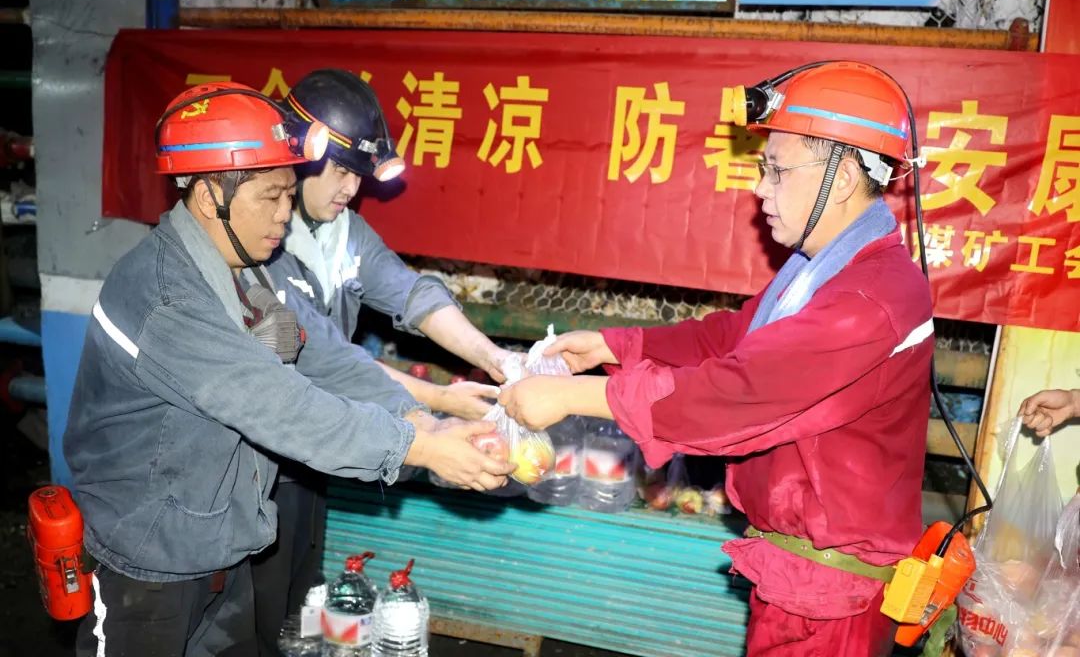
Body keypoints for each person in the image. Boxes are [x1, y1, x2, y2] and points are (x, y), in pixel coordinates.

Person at [64, 81, 513, 657]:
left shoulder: (249, 269)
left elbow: (322, 355)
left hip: (223, 546)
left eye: (289, 193)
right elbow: (278, 405)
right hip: (147, 568)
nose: (285, 214)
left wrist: (424, 421)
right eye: (271, 196)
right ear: (211, 195)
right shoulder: (166, 298)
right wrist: (419, 448)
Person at [499, 63, 934, 656]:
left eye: (777, 170)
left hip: (832, 604)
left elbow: (739, 391)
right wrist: (617, 346)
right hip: (800, 580)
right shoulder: (825, 269)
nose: (761, 188)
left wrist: (573, 397)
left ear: (843, 177)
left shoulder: (870, 299)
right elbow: (738, 337)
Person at [244, 69, 518, 653]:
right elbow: (322, 354)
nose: (352, 188)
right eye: (341, 171)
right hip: (258, 463)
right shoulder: (261, 240)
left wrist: (494, 358)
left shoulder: (345, 232)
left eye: (359, 175)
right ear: (301, 157)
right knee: (257, 612)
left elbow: (411, 294)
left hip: (314, 451)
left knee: (305, 601)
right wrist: (436, 407)